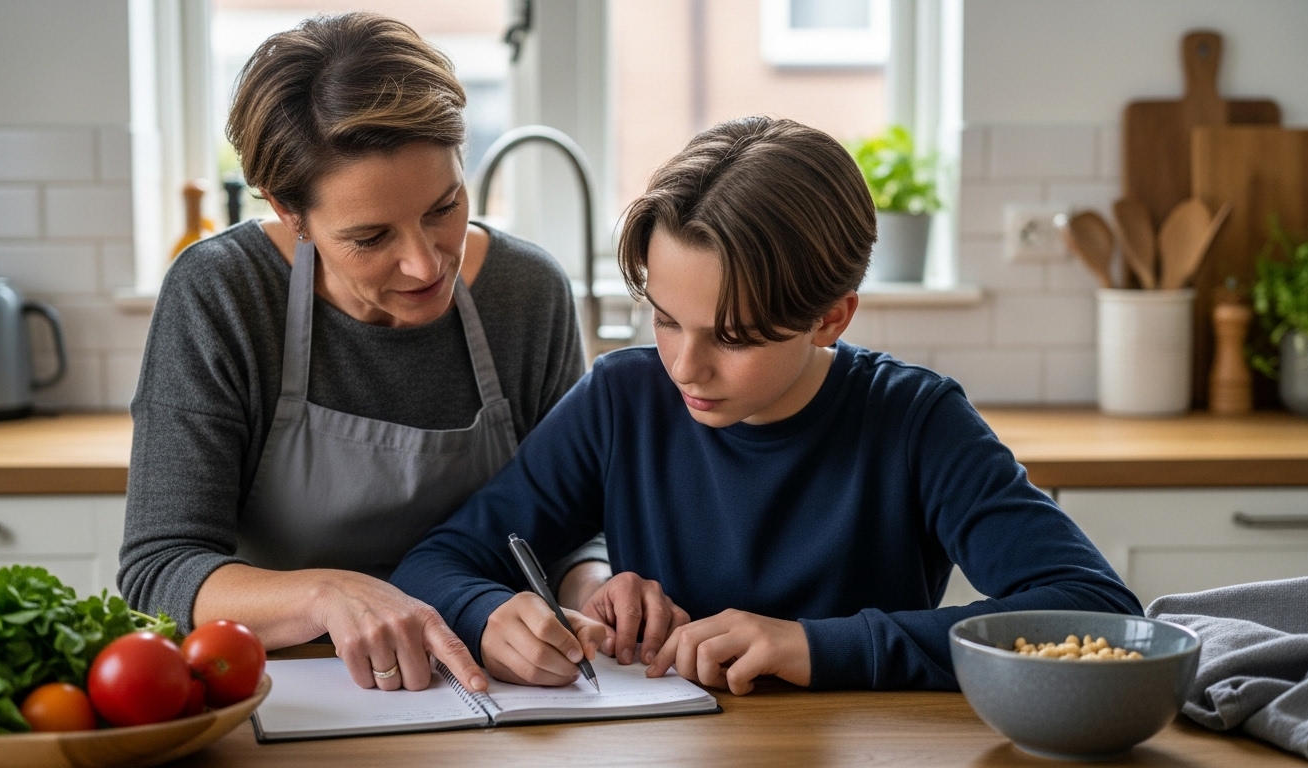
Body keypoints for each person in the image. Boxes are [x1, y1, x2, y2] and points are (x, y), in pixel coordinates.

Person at [392, 116, 1143, 693]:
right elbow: (438, 560)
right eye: (665, 319)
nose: (687, 368)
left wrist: (816, 647)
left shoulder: (915, 421)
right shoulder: (623, 398)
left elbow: (1097, 611)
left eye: (736, 338)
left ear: (831, 319)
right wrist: (489, 616)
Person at [116, 13, 670, 696]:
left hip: (496, 690)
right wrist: (327, 595)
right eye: (370, 237)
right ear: (292, 214)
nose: (423, 263)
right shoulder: (224, 294)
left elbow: (567, 521)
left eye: (443, 207)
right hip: (288, 693)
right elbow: (160, 570)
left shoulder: (527, 293)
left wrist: (591, 587)